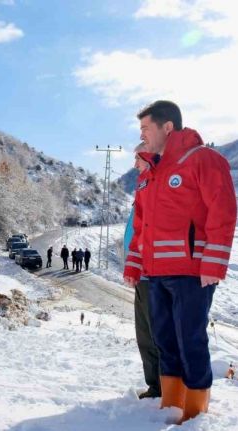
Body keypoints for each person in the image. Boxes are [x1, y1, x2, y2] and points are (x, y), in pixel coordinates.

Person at [123, 101, 236, 423]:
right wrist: (134, 266)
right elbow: (141, 228)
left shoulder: (203, 159)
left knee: (191, 341)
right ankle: (172, 405)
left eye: (145, 128)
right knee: (164, 341)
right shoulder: (149, 175)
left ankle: (196, 411)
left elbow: (223, 211)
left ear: (167, 126)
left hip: (191, 273)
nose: (141, 134)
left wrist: (213, 265)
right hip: (155, 274)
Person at [125, 142, 162, 400]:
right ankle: (155, 386)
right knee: (144, 335)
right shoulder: (142, 188)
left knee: (155, 335)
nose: (134, 165)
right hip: (141, 273)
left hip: (154, 274)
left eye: (137, 159)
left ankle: (163, 389)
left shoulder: (157, 188)